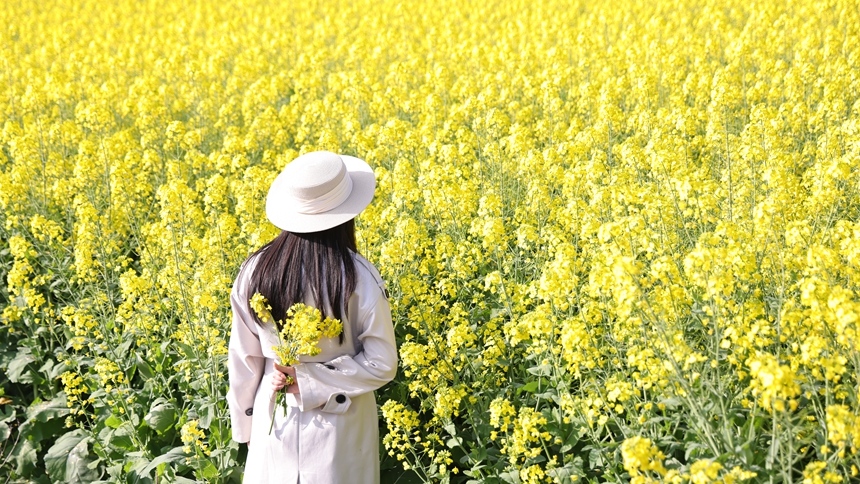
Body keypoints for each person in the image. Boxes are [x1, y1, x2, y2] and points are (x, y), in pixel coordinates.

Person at [226, 151, 398, 484]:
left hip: (274, 419)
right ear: (347, 213)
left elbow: (244, 359)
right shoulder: (359, 276)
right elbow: (382, 363)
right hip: (341, 426)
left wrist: (246, 425)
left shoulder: (254, 270)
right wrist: (311, 381)